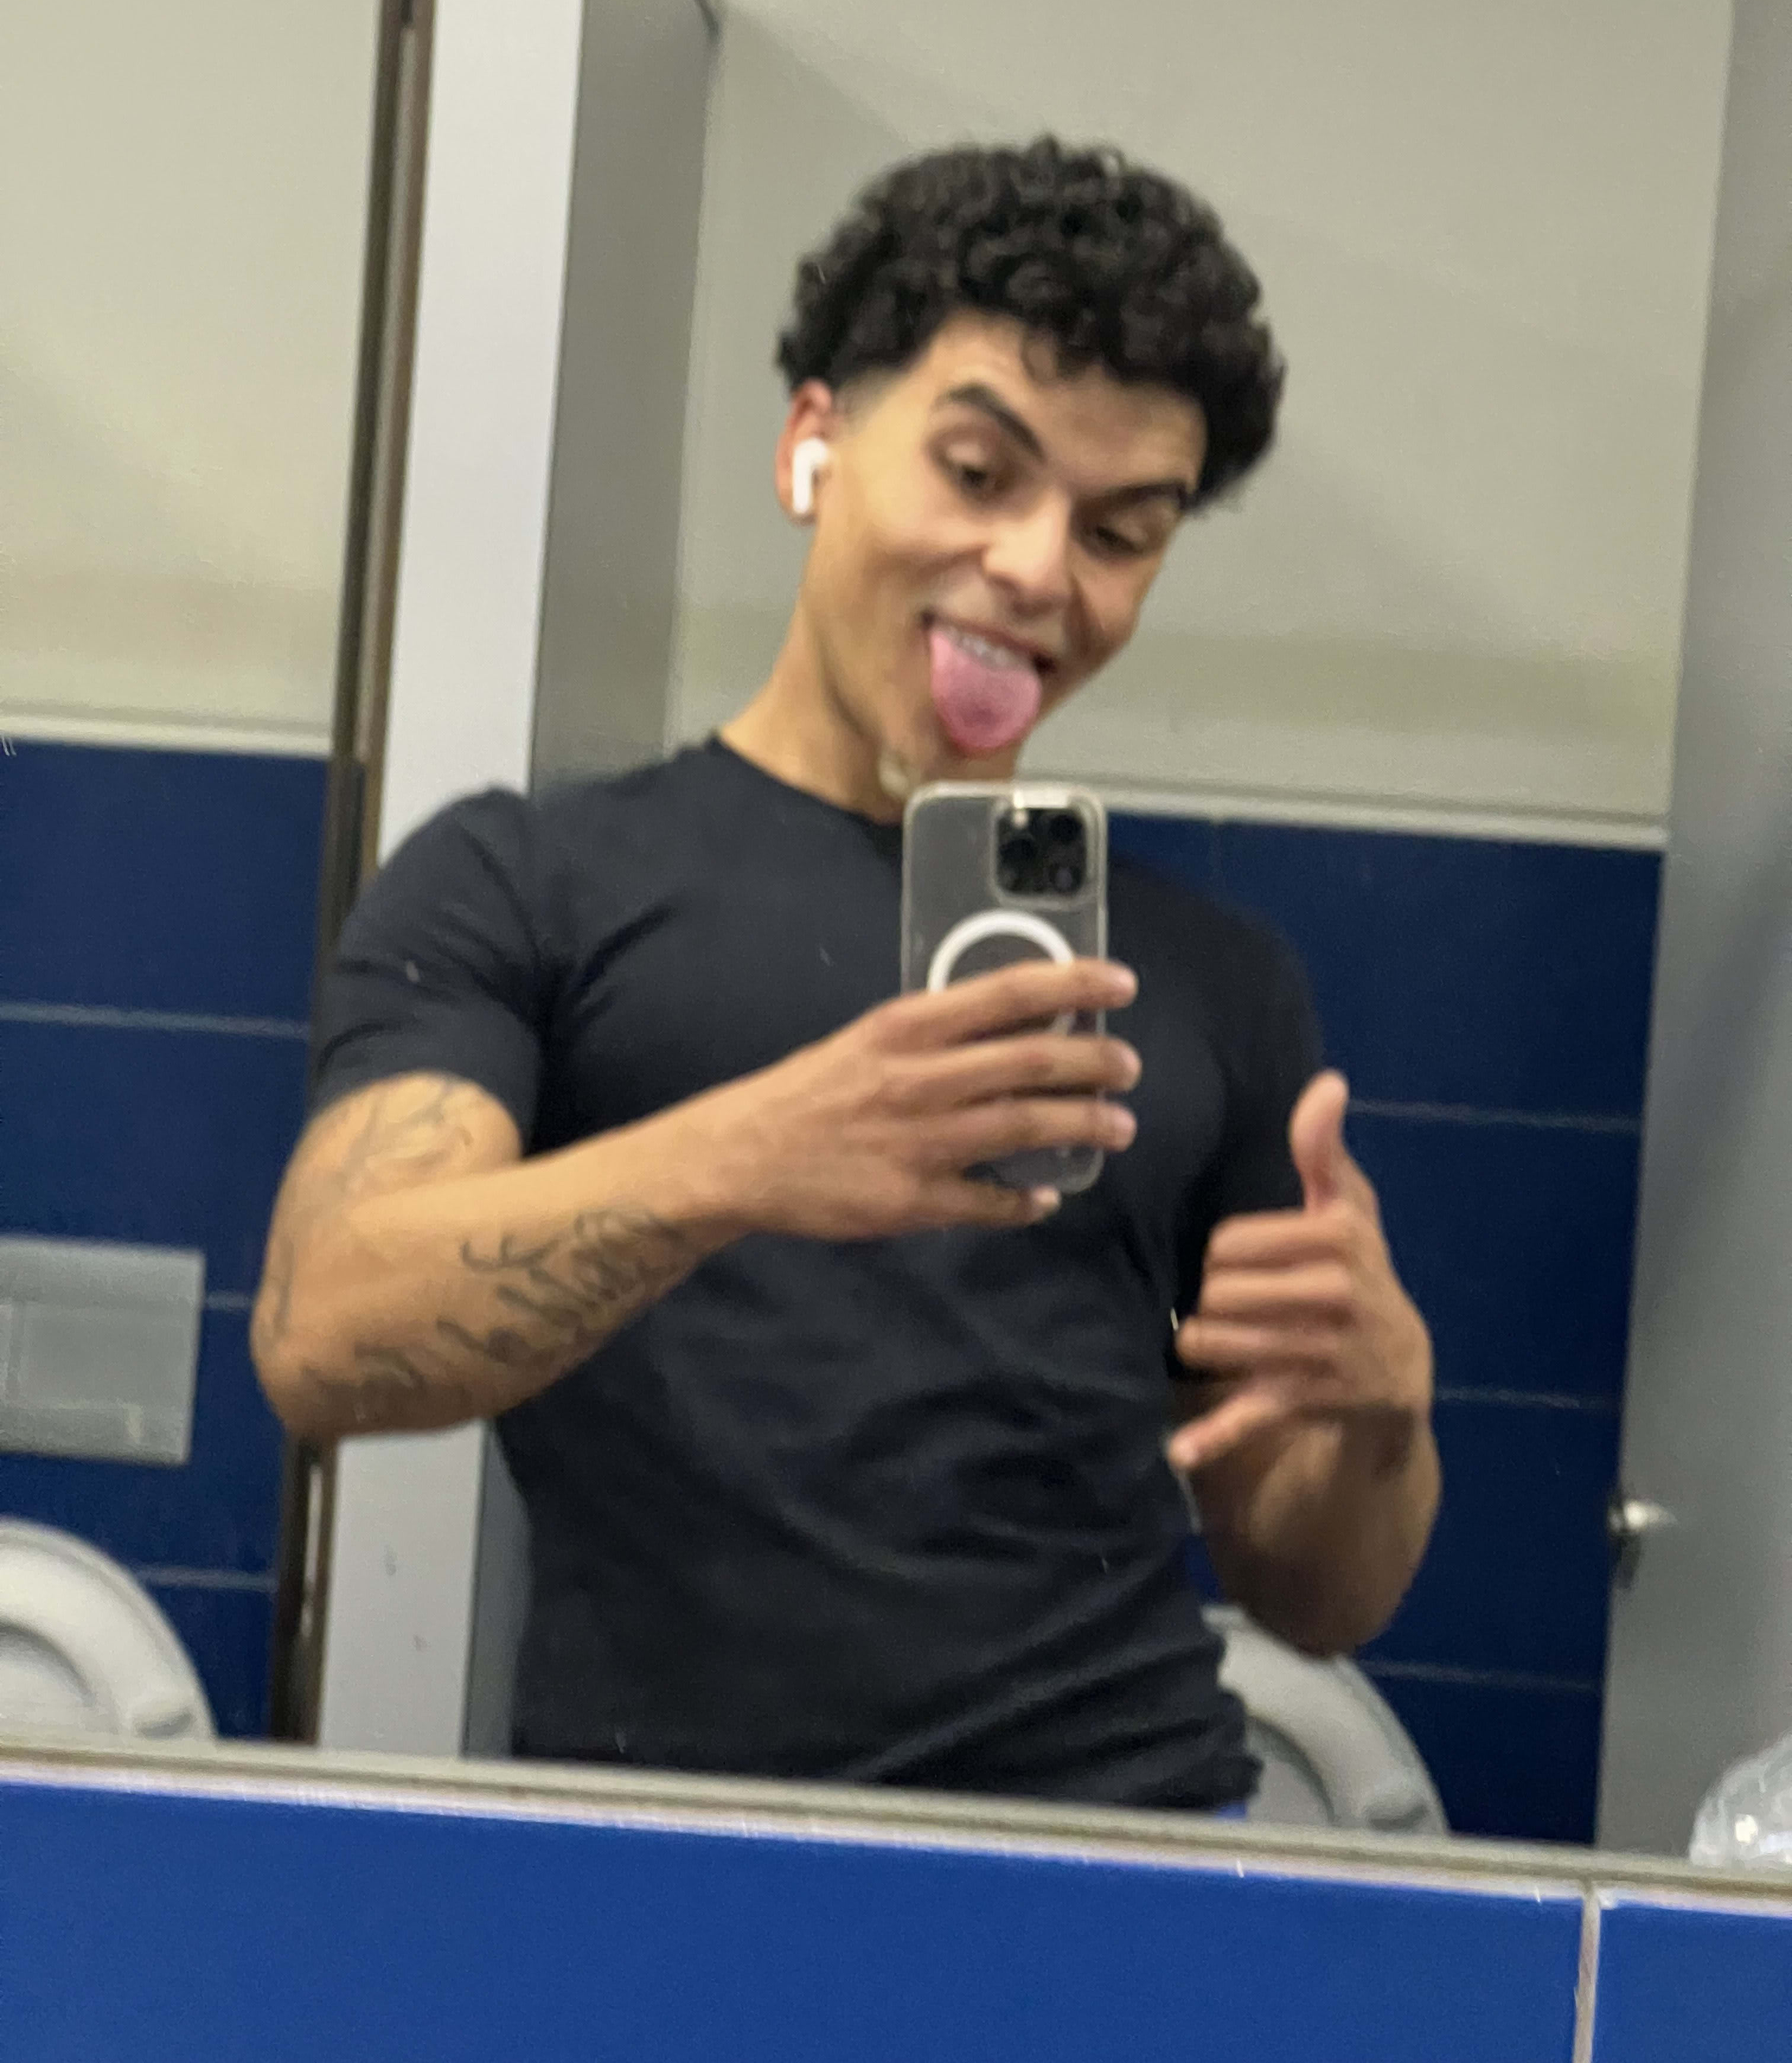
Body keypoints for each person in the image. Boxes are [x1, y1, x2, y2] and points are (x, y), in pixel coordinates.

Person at [252, 138, 1438, 1813]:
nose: (1040, 569)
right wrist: (748, 1160)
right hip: (672, 1856)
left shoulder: (1206, 978)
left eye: (1120, 531)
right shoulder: (527, 886)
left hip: (1128, 1852)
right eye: (979, 470)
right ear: (813, 443)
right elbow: (324, 1328)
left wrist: (1383, 1417)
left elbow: (1319, 1596)